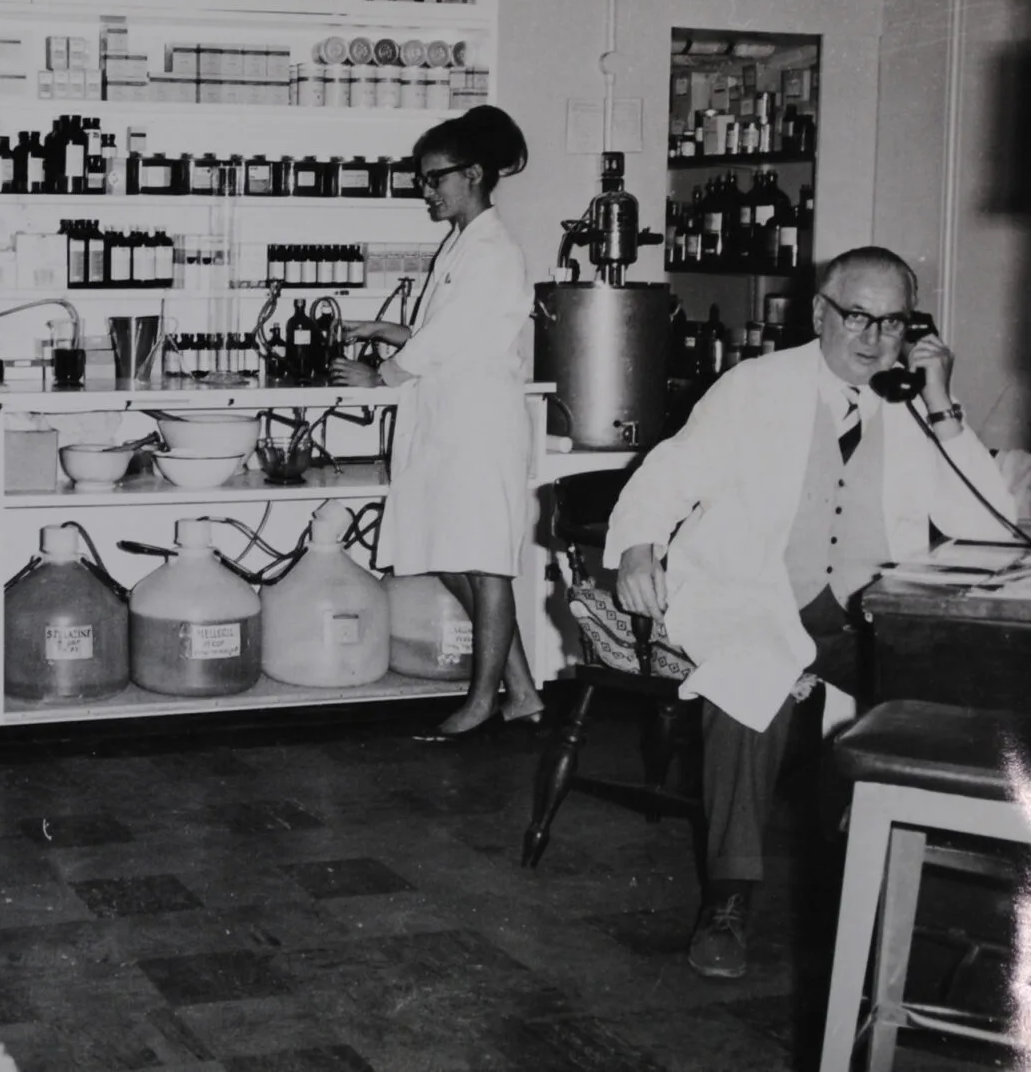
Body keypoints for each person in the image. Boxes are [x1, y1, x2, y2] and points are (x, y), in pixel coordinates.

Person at [609, 246, 1010, 979]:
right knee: (746, 693)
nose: (872, 338)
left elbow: (990, 522)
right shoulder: (755, 386)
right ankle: (728, 899)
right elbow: (670, 469)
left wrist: (942, 400)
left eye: (892, 322)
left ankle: (936, 893)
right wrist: (638, 547)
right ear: (820, 313)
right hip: (759, 593)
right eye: (856, 316)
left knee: (958, 695)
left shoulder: (915, 404)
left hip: (867, 613)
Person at [333, 105, 542, 737]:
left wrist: (383, 373)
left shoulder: (494, 251)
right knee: (454, 557)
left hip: (479, 426)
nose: (426, 191)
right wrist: (383, 330)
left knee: (484, 563)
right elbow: (443, 332)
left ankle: (482, 703)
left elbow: (451, 337)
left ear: (473, 174)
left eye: (434, 179)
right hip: (449, 420)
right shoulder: (460, 244)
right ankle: (525, 693)